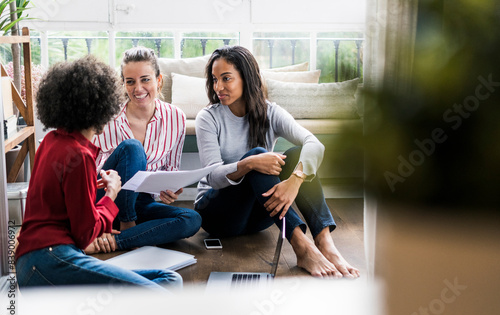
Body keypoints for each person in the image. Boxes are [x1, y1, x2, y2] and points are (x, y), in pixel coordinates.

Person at [15, 55, 182, 290]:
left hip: (33, 258)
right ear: (104, 105)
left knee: (171, 279)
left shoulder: (50, 141)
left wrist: (92, 187)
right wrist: (112, 193)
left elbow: (58, 200)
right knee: (159, 291)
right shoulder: (79, 154)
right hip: (50, 258)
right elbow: (86, 235)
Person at [195, 46, 360, 278]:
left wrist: (295, 180)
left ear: (247, 77)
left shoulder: (270, 112)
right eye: (214, 79)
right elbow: (212, 176)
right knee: (259, 156)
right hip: (218, 215)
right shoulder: (208, 118)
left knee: (296, 154)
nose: (218, 87)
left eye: (226, 78)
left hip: (260, 217)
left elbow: (314, 145)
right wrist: (249, 164)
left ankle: (324, 242)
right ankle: (302, 247)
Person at [88, 46, 201, 254]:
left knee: (191, 219)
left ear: (158, 81)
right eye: (130, 81)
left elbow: (171, 168)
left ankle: (116, 242)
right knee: (133, 147)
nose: (138, 88)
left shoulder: (176, 117)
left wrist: (169, 189)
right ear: (123, 84)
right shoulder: (108, 116)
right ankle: (128, 224)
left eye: (145, 79)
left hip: (142, 201)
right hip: (106, 199)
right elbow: (90, 171)